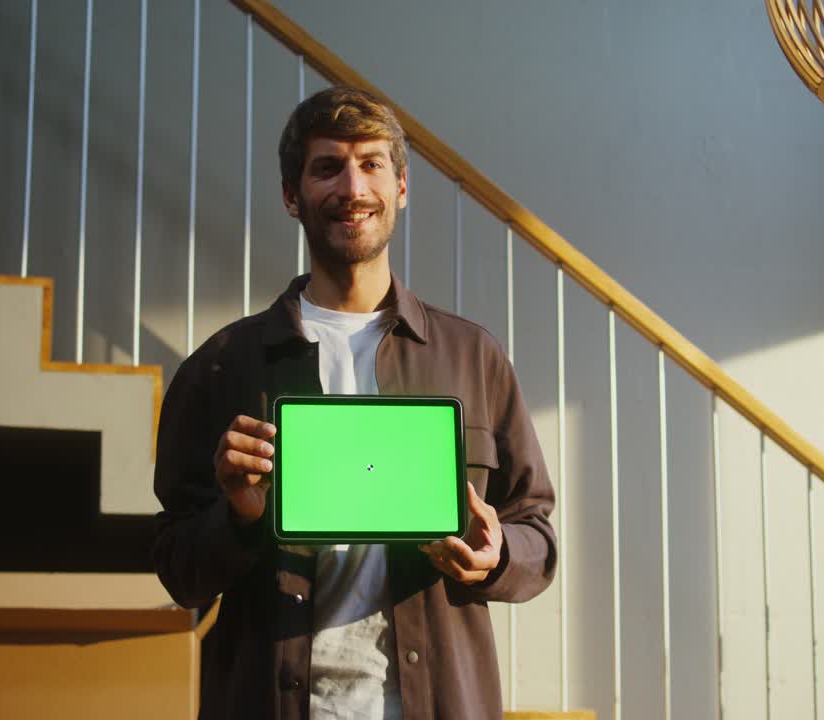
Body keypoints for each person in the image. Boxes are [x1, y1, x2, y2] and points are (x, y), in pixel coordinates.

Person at [153, 86, 557, 720]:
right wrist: (239, 517)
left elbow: (537, 532)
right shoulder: (221, 367)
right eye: (327, 167)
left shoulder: (473, 356)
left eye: (371, 163)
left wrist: (497, 551)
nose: (352, 186)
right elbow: (178, 569)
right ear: (293, 195)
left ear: (401, 187)